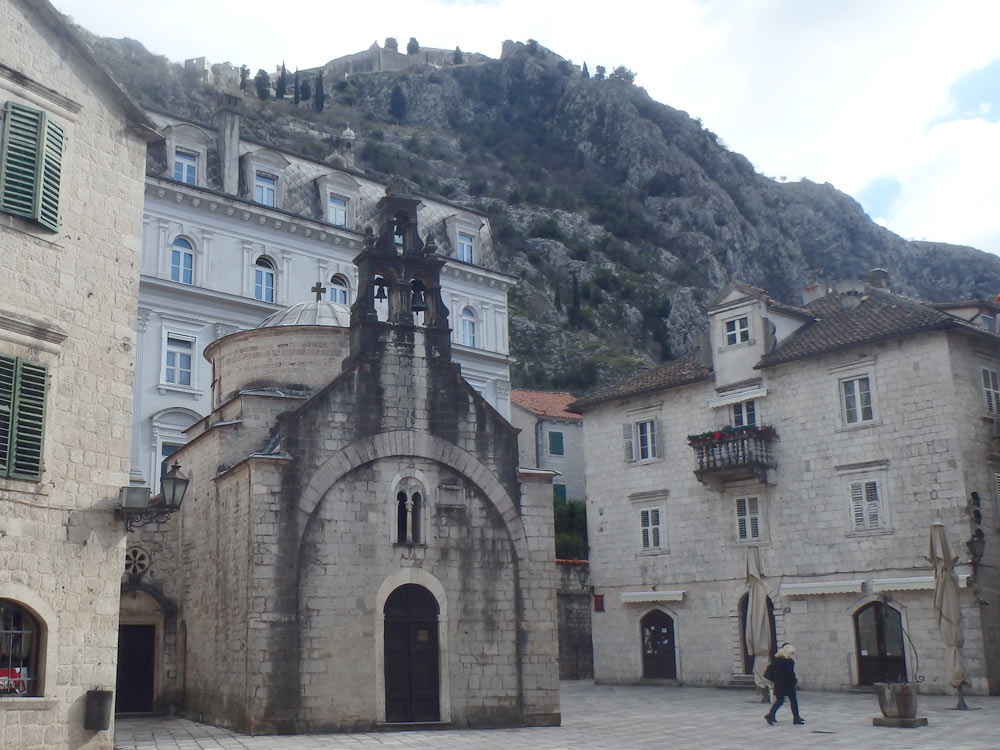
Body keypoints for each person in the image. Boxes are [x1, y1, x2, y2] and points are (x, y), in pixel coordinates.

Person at [764, 643, 804, 725]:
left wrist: (775, 680)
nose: (792, 655)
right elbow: (790, 674)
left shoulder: (776, 661)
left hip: (779, 684)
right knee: (793, 701)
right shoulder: (789, 662)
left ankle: (771, 715)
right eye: (791, 653)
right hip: (788, 685)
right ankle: (796, 718)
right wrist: (794, 681)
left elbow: (768, 673)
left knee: (779, 701)